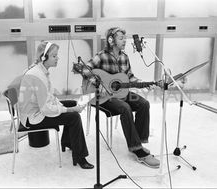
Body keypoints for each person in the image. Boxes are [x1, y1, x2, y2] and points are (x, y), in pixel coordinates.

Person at [83, 27, 160, 168]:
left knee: (144, 104)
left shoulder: (125, 57)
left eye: (125, 38)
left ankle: (139, 142)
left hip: (121, 92)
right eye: (121, 38)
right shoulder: (101, 56)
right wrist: (98, 83)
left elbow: (129, 76)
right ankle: (138, 151)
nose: (125, 41)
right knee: (125, 108)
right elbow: (85, 69)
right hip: (105, 97)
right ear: (111, 40)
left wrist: (144, 83)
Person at [18, 41, 94, 169]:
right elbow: (46, 109)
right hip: (33, 118)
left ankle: (68, 142)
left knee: (72, 103)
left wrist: (69, 107)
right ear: (44, 57)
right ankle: (80, 157)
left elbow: (49, 97)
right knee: (74, 117)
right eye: (54, 56)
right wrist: (69, 110)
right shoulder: (38, 76)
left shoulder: (41, 70)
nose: (57, 58)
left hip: (37, 110)